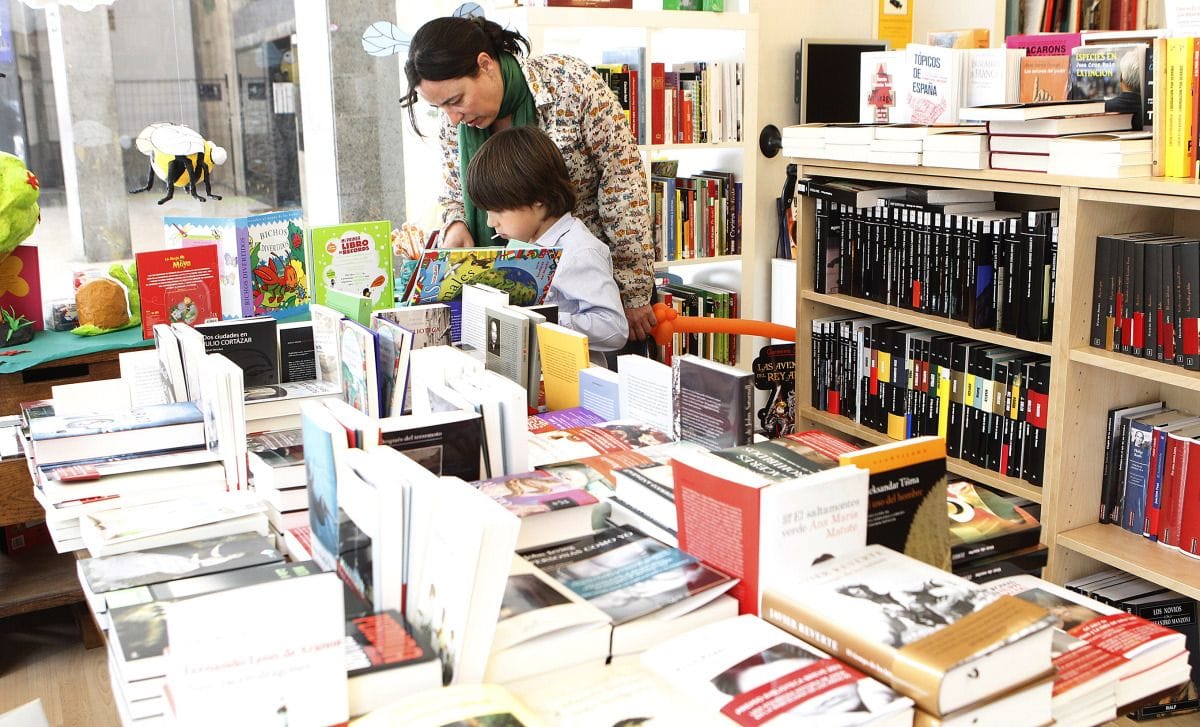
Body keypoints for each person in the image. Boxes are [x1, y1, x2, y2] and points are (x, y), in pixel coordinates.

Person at [401, 15, 657, 342]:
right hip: (512, 296)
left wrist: (633, 290)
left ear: (485, 65)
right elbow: (455, 193)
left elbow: (624, 188)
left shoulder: (570, 85)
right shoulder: (455, 124)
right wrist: (456, 225)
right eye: (440, 108)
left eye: (455, 100)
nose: (453, 119)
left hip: (587, 287)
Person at [465, 125, 629, 357]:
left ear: (538, 198)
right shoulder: (526, 243)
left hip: (567, 374)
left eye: (499, 210)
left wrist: (543, 320)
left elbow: (614, 328)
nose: (491, 222)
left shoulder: (579, 251)